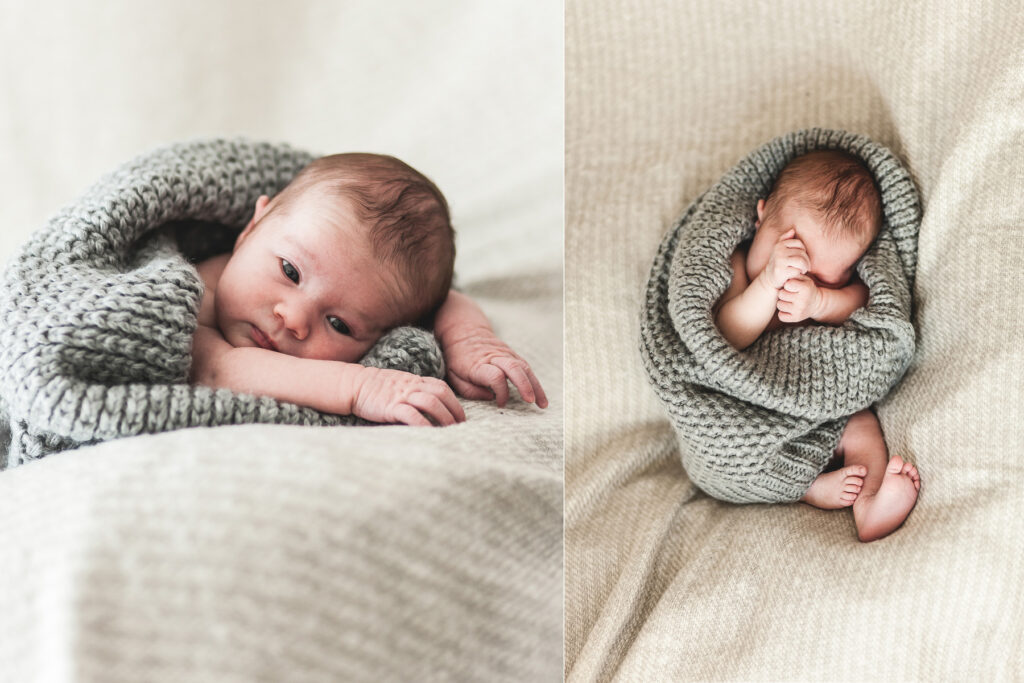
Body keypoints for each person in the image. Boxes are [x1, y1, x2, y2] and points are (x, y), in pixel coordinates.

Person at [189, 152, 547, 427]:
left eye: (339, 324)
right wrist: (361, 387)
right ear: (251, 227)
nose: (294, 318)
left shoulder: (354, 279)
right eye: (290, 271)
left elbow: (443, 300)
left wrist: (470, 342)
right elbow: (218, 370)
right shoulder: (194, 297)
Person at [713, 150, 919, 542]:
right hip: (748, 411)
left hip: (819, 406)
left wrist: (822, 302)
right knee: (737, 450)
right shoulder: (738, 267)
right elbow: (727, 333)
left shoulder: (829, 293)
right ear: (761, 216)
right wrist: (765, 285)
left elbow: (865, 303)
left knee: (860, 425)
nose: (796, 277)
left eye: (824, 277)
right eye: (786, 250)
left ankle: (871, 503)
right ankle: (805, 488)